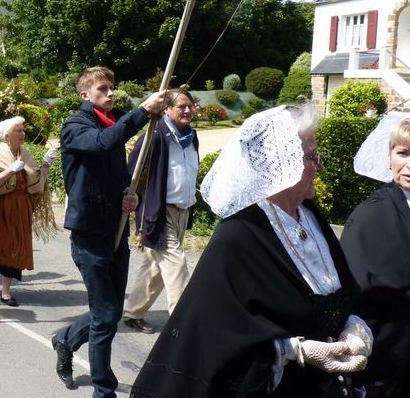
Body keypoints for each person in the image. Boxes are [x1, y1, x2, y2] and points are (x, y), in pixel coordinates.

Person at [130, 104, 372, 398]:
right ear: (283, 162)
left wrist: (354, 327)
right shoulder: (239, 234)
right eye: (311, 156)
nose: (319, 166)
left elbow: (343, 292)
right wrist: (293, 350)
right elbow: (214, 332)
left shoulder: (312, 217)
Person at [52, 66, 166, 397]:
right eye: (103, 89)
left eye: (112, 88)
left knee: (112, 313)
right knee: (104, 318)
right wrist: (144, 110)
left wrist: (129, 197)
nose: (111, 93)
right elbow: (102, 144)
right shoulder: (76, 126)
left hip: (116, 230)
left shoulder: (113, 125)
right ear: (85, 95)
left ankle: (66, 339)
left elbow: (116, 178)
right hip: (88, 235)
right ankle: (105, 390)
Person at [341, 114, 410, 397]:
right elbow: (355, 299)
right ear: (389, 156)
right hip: (390, 363)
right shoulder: (370, 217)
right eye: (403, 153)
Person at [122, 88, 199, 334]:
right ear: (167, 109)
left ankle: (133, 312)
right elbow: (131, 171)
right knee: (177, 266)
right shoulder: (155, 137)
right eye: (181, 106)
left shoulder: (191, 137)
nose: (188, 110)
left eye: (190, 105)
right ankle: (183, 326)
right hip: (158, 212)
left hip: (182, 210)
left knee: (155, 266)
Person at [0, 116, 57, 306]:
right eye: (18, 131)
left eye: (23, 130)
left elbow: (37, 185)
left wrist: (46, 164)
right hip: (0, 209)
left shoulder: (26, 153)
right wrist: (10, 171)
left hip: (20, 209)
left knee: (16, 247)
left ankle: (6, 291)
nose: (22, 134)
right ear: (7, 137)